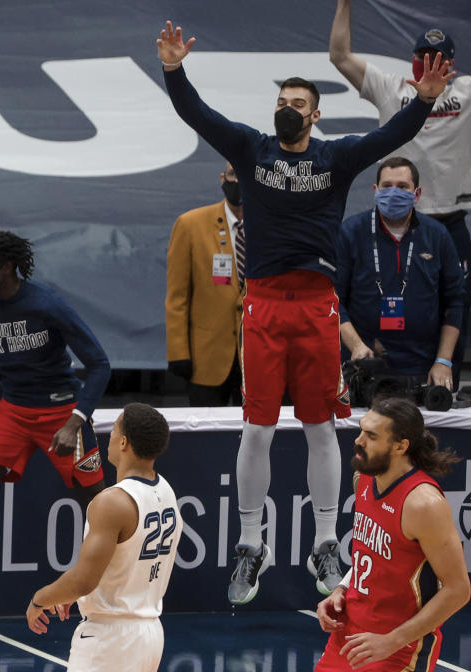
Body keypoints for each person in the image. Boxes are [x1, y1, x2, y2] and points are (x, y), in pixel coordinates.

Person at [157, 20, 453, 605]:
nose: (287, 109)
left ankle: (324, 541)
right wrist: (173, 68)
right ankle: (250, 545)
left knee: (323, 429)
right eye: (282, 102)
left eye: (298, 103)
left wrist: (422, 100)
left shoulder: (338, 158)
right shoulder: (250, 148)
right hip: (263, 307)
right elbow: (197, 113)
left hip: (318, 308)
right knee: (257, 430)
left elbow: (390, 133)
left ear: (315, 114)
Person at [330, 3, 471, 383]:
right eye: (423, 58)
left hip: (449, 221)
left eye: (438, 60)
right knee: (369, 302)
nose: (429, 65)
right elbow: (339, 56)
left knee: (456, 308)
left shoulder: (467, 92)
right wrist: (344, 5)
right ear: (411, 60)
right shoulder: (390, 87)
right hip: (394, 221)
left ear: (451, 64)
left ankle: (444, 385)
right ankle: (364, 379)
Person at [0, 214, 111, 507]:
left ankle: (117, 554)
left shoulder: (47, 304)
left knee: (98, 502)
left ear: (6, 267)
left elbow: (99, 365)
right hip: (13, 412)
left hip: (61, 411)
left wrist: (74, 422)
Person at [314, 396, 470, 671]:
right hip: (349, 636)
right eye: (362, 430)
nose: (359, 440)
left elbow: (458, 590)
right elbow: (369, 551)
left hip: (396, 648)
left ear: (401, 446)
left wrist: (391, 641)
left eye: (371, 436)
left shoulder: (423, 504)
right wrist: (341, 589)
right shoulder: (363, 477)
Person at [26, 403, 183, 672]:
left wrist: (40, 599)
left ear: (123, 442)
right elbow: (125, 563)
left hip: (110, 641)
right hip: (150, 635)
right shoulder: (166, 492)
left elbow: (83, 581)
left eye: (112, 429)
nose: (107, 435)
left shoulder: (111, 502)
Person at [336, 157, 464, 389]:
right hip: (363, 365)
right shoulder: (350, 233)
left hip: (423, 368)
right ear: (375, 191)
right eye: (387, 186)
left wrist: (443, 361)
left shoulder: (437, 235)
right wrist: (355, 345)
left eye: (403, 187)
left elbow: (455, 302)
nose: (393, 193)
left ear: (416, 194)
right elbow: (332, 300)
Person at [166, 161, 244, 406]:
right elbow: (177, 297)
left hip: (259, 357)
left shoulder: (272, 227)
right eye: (233, 174)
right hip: (206, 359)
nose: (239, 181)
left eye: (246, 174)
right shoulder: (191, 225)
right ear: (223, 179)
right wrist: (178, 353)